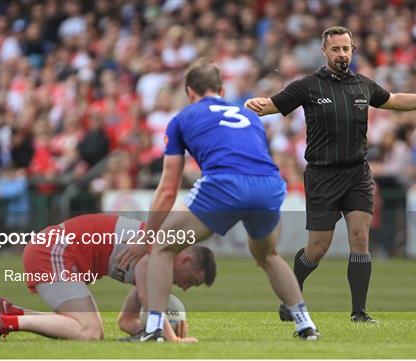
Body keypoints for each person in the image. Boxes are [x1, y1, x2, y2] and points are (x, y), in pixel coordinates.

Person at [244, 26, 416, 323]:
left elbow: (393, 99)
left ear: (352, 50)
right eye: (335, 49)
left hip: (357, 174)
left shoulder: (363, 85)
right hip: (322, 176)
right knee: (318, 248)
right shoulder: (308, 85)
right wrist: (256, 105)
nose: (342, 54)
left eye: (346, 48)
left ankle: (359, 313)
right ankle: (292, 294)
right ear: (324, 52)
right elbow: (271, 106)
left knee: (360, 238)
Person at [118, 58, 320, 342]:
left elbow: (167, 187)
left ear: (190, 92)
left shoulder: (182, 119)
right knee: (269, 256)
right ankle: (305, 323)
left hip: (225, 184)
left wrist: (146, 236)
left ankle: (153, 329)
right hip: (269, 185)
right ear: (222, 90)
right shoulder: (248, 114)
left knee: (162, 246)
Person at [0, 213, 216, 343]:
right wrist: (172, 338)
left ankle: (10, 312)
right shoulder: (154, 254)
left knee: (87, 328)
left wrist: (162, 332)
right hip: (53, 250)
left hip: (53, 249)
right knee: (90, 331)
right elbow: (147, 296)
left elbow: (126, 322)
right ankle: (3, 321)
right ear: (184, 260)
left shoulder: (156, 257)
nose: (184, 289)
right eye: (191, 281)